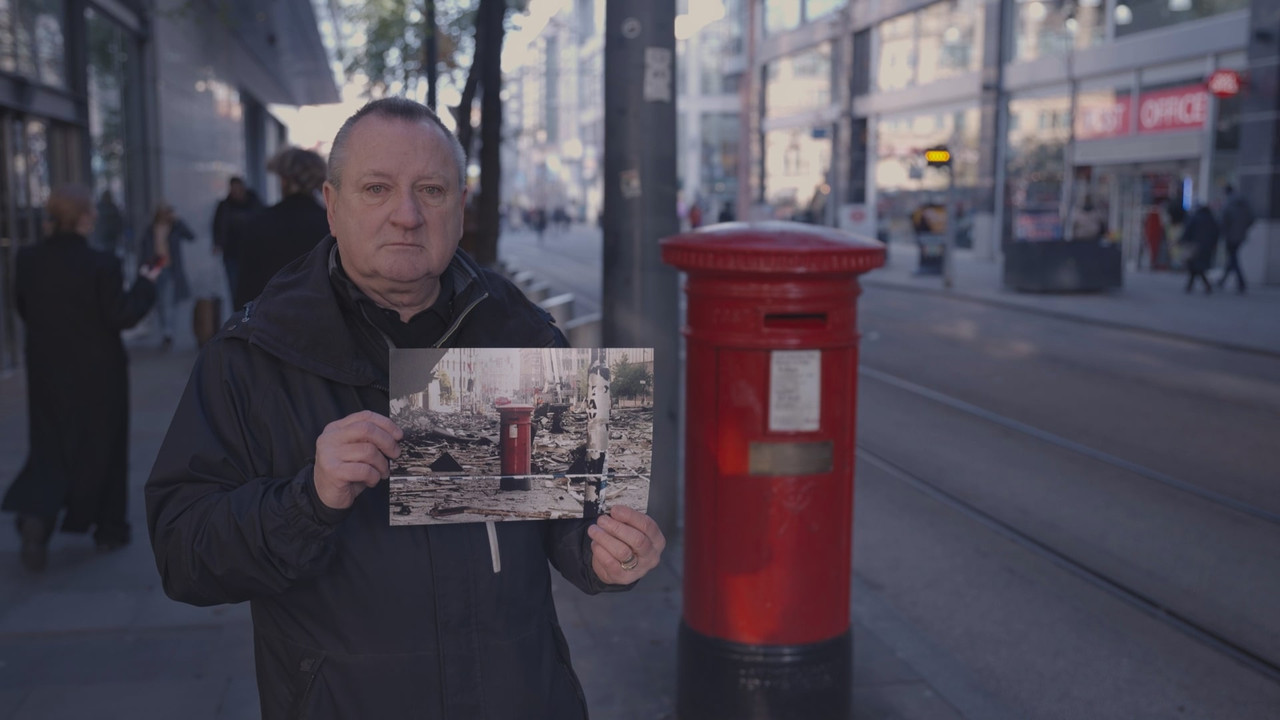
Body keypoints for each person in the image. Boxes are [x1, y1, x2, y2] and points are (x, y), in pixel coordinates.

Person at [145, 97, 666, 719]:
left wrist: (608, 553)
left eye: (431, 190)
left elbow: (571, 514)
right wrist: (307, 500)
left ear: (460, 207)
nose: (407, 215)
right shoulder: (253, 357)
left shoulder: (523, 334)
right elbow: (183, 555)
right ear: (332, 205)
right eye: (377, 189)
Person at [3, 184, 161, 572]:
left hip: (47, 368)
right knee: (104, 444)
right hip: (99, 371)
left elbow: (23, 307)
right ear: (83, 218)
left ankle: (38, 515)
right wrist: (147, 283)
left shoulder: (29, 259)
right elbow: (122, 315)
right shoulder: (101, 263)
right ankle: (109, 528)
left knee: (50, 443)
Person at [234, 147, 330, 311]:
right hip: (320, 318)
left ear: (284, 180)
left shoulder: (258, 222)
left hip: (270, 319)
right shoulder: (331, 224)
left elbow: (246, 289)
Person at [138, 202, 197, 349]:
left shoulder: (175, 228)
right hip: (154, 267)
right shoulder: (150, 229)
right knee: (159, 301)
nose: (165, 214)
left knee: (168, 300)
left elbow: (191, 236)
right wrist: (142, 270)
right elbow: (144, 250)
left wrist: (178, 220)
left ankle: (168, 332)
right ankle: (166, 330)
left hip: (170, 267)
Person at [212, 176, 264, 303]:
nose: (235, 192)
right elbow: (217, 225)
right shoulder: (225, 206)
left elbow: (263, 222)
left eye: (237, 188)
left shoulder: (254, 203)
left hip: (252, 253)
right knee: (235, 288)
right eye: (233, 189)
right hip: (232, 253)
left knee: (253, 287)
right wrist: (218, 243)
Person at [1217, 184, 1254, 294]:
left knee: (1233, 258)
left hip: (1230, 235)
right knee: (1232, 257)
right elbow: (1252, 218)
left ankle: (1241, 282)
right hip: (1241, 235)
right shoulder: (1244, 204)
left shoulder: (1229, 204)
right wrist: (1243, 228)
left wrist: (1223, 232)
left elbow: (1223, 221)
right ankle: (1223, 280)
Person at [1180, 201, 1219, 294]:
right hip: (1207, 247)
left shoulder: (1195, 218)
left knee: (1196, 267)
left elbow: (1188, 230)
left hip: (1195, 246)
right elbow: (1216, 233)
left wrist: (1182, 240)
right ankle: (1194, 285)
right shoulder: (1211, 219)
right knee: (1198, 266)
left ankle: (1199, 285)